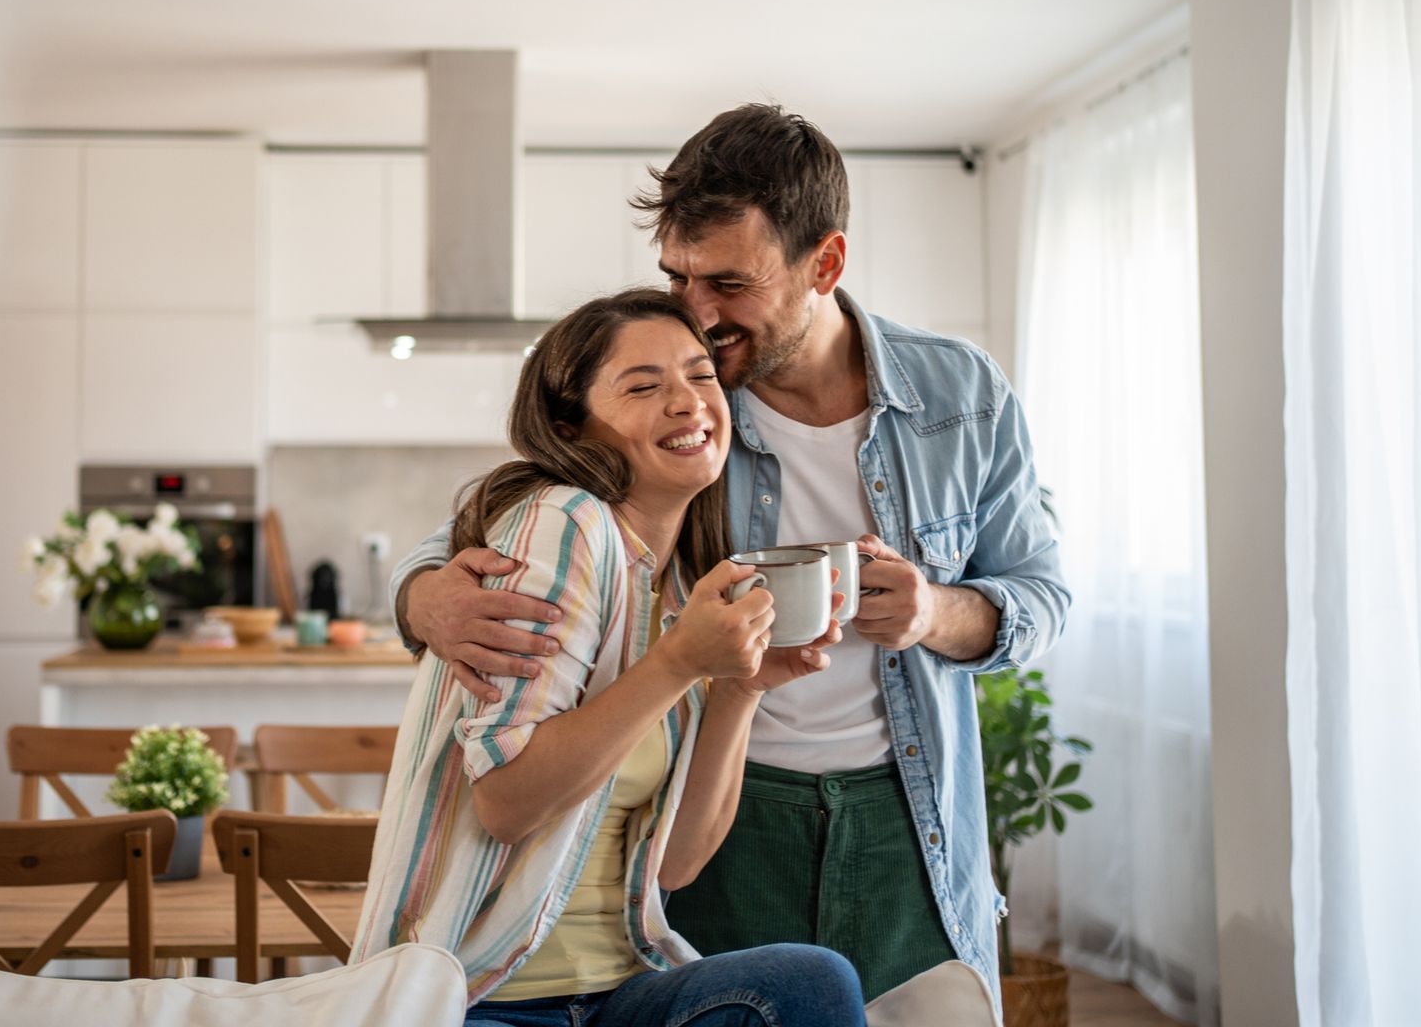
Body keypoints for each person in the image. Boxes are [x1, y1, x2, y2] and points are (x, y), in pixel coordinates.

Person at [391, 105, 1070, 1002]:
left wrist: (933, 612)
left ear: (824, 262)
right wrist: (425, 600)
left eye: (729, 283)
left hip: (907, 812)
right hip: (719, 812)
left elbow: (1041, 595)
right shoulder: (687, 405)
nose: (697, 315)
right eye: (676, 276)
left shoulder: (960, 394)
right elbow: (478, 533)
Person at [353, 288, 866, 1026]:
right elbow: (506, 802)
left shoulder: (684, 581)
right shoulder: (565, 523)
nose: (688, 402)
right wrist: (678, 665)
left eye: (699, 375)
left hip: (621, 991)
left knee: (811, 984)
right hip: (480, 997)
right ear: (571, 427)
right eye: (644, 385)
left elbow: (679, 863)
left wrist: (740, 689)